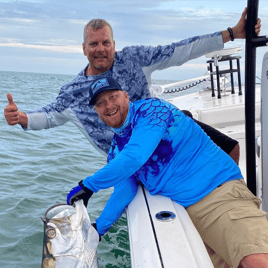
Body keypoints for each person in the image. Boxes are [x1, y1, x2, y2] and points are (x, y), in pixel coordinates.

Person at [4, 8, 261, 162]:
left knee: (231, 149)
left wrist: (230, 34)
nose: (100, 49)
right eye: (93, 44)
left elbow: (178, 51)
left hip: (167, 132)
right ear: (84, 49)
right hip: (131, 160)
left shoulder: (134, 59)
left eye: (106, 42)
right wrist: (21, 117)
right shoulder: (74, 92)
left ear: (114, 44)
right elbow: (48, 116)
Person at [67, 77, 268, 268]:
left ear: (126, 95)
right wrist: (97, 230)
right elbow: (125, 190)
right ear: (96, 111)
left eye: (113, 97)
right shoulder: (116, 150)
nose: (108, 105)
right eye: (100, 103)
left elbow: (136, 156)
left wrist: (88, 186)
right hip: (185, 211)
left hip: (218, 194)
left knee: (253, 259)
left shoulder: (152, 110)